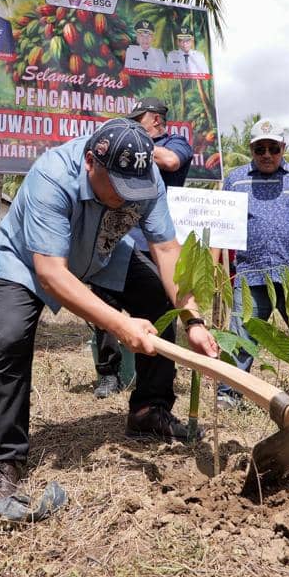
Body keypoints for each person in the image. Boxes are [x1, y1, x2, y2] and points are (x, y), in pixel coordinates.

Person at [0, 118, 219, 514]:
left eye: (136, 190)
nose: (129, 199)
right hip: (30, 260)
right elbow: (52, 273)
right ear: (91, 162)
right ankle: (4, 462)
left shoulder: (146, 180)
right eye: (120, 189)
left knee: (158, 300)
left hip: (103, 253)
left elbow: (166, 251)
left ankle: (148, 410)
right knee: (10, 340)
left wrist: (191, 319)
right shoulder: (52, 177)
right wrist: (120, 324)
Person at [217, 119, 289, 410]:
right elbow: (220, 228)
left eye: (273, 148)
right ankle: (228, 394)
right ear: (251, 150)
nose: (267, 154)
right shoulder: (235, 180)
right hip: (250, 274)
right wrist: (218, 272)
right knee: (241, 338)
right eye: (260, 149)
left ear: (284, 148)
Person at [91, 97, 193, 399]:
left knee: (158, 311)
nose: (133, 125)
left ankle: (155, 385)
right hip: (115, 239)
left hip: (154, 244)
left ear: (157, 121)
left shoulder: (177, 143)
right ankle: (109, 374)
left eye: (139, 120)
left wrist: (134, 144)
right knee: (104, 307)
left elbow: (171, 162)